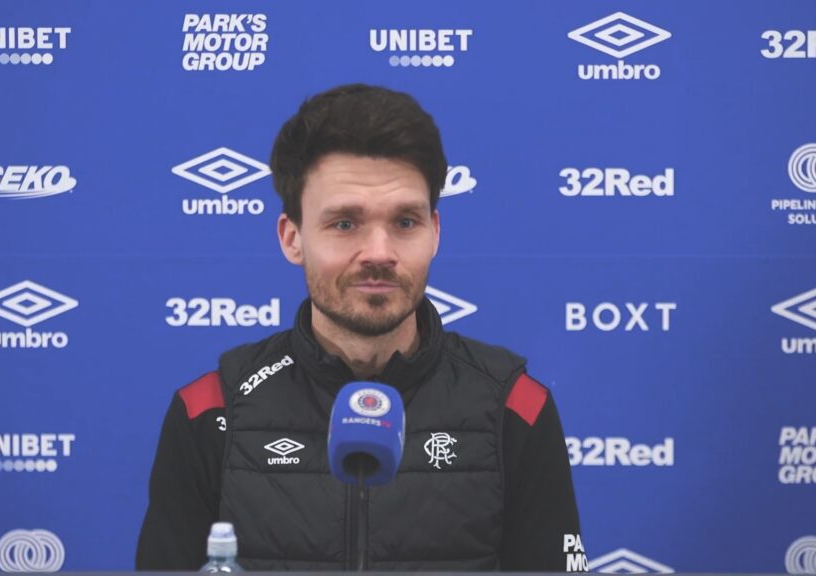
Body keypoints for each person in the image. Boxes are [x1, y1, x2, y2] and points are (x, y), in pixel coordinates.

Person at [136, 84, 582, 571]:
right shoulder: (209, 411)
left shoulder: (515, 408)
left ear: (435, 233)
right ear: (292, 238)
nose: (379, 252)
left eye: (405, 222)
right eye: (345, 223)